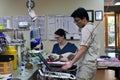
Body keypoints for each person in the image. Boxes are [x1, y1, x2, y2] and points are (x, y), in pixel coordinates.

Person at [62, 7, 99, 80]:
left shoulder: (86, 29)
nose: (76, 23)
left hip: (86, 65)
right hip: (90, 65)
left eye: (77, 21)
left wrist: (70, 64)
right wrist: (73, 56)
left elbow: (83, 49)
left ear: (84, 19)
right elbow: (84, 47)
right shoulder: (92, 27)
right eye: (75, 21)